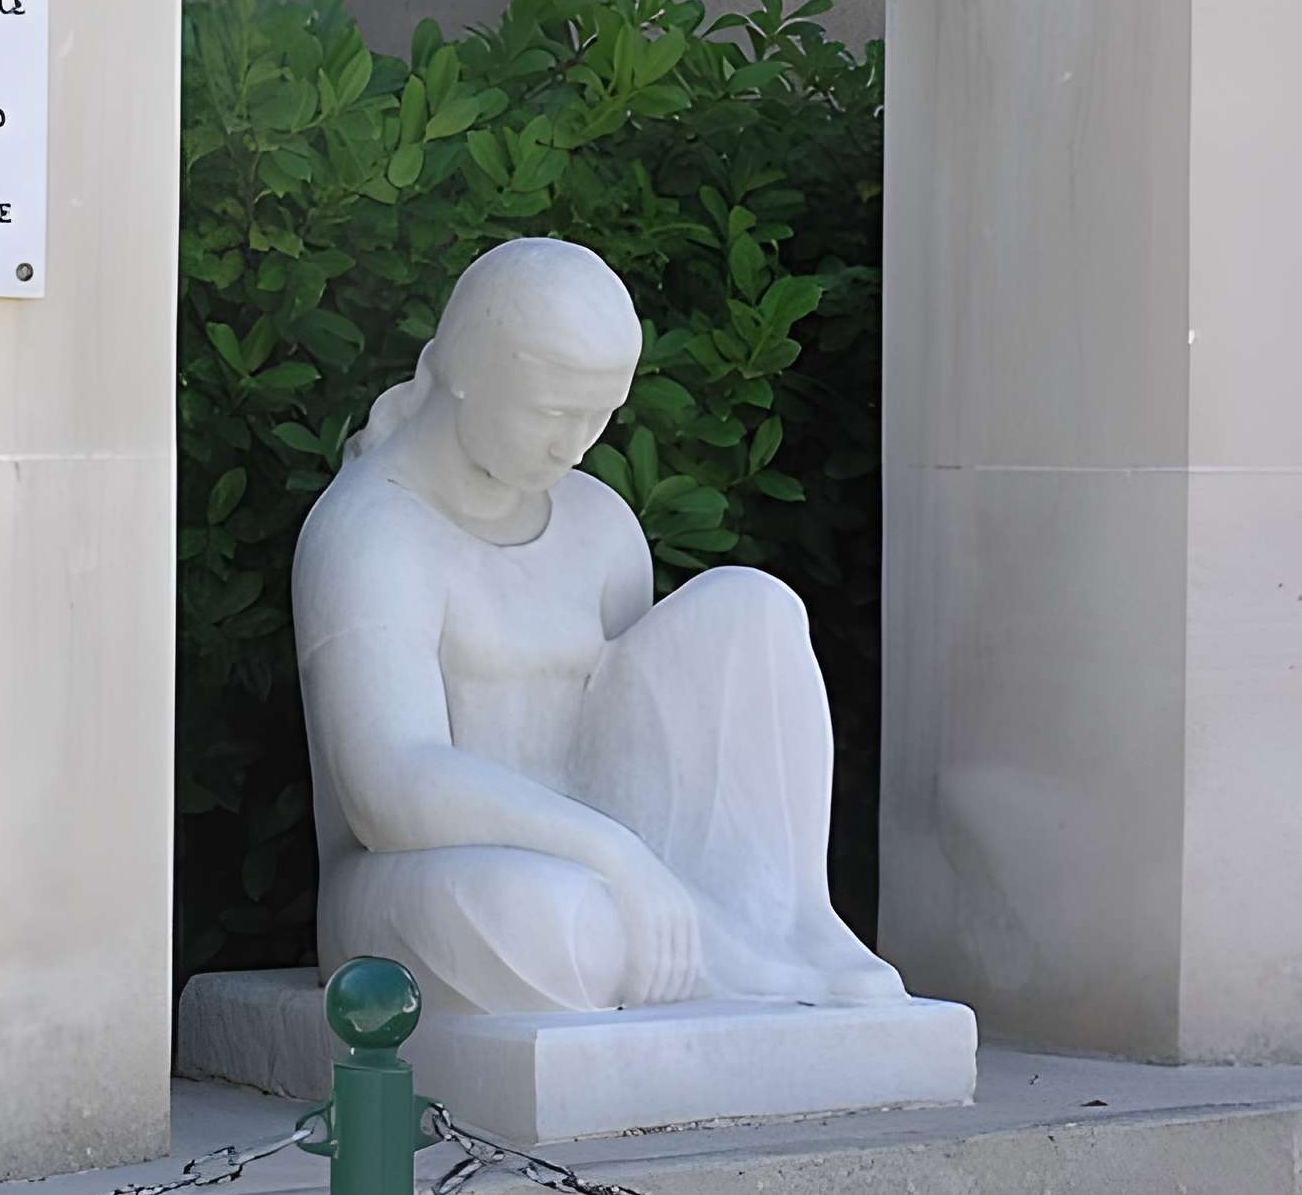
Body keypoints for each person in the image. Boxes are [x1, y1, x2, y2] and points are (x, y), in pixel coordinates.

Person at [291, 236, 901, 1015]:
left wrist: (633, 857)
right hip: (432, 871)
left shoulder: (601, 523)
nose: (575, 444)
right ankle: (726, 960)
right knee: (549, 921)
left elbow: (637, 741)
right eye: (552, 412)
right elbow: (391, 788)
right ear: (471, 374)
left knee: (755, 606)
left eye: (600, 416)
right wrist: (614, 855)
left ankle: (788, 925)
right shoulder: (369, 532)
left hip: (623, 862)